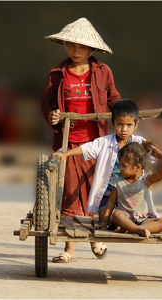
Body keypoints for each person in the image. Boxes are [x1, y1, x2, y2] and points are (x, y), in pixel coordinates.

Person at [41, 17, 120, 263]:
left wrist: (122, 114)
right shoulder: (57, 73)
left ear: (91, 49)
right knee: (69, 193)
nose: (76, 50)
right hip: (68, 142)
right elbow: (46, 102)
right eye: (71, 45)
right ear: (65, 45)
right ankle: (70, 248)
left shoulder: (103, 71)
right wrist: (52, 115)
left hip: (97, 141)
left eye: (81, 47)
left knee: (96, 190)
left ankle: (96, 238)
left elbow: (114, 98)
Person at [52, 100, 162, 240]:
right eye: (120, 124)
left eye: (129, 125)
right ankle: (132, 227)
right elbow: (85, 148)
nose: (124, 129)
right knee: (108, 216)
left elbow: (153, 151)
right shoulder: (105, 142)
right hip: (109, 197)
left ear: (136, 125)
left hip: (134, 201)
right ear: (113, 124)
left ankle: (131, 228)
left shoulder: (138, 141)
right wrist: (65, 154)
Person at [95, 141, 162, 238]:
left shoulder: (146, 180)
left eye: (124, 166)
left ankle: (131, 229)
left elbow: (160, 174)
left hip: (146, 218)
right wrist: (103, 221)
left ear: (138, 167)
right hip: (126, 218)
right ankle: (137, 230)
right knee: (117, 215)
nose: (120, 168)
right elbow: (111, 202)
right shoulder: (118, 182)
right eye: (120, 165)